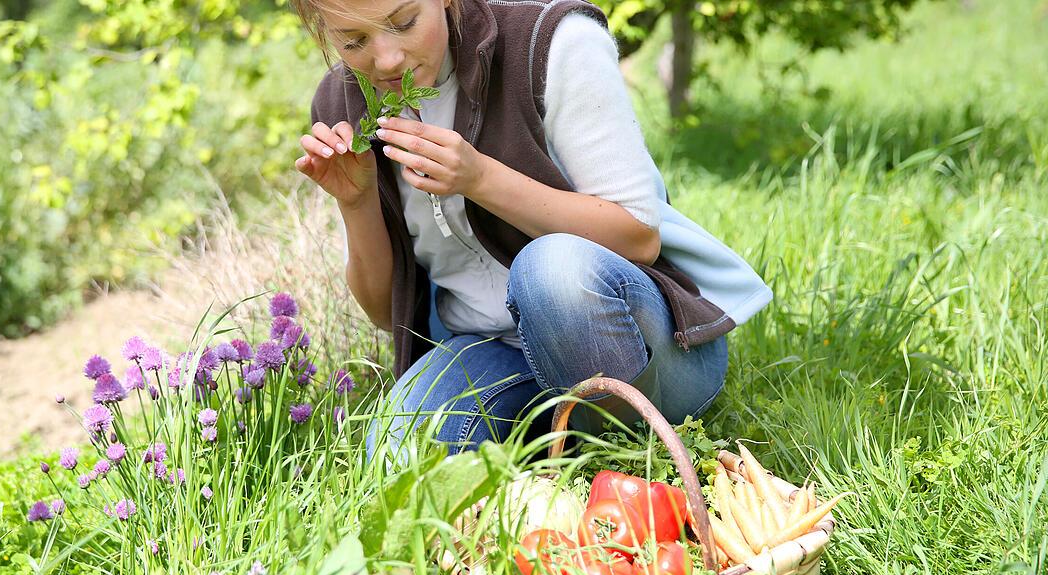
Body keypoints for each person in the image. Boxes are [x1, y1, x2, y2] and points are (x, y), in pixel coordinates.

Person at [291, 0, 771, 463]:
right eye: (354, 40)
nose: (387, 59)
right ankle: (557, 450)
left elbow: (638, 236)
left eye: (404, 22)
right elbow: (383, 311)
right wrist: (356, 203)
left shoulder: (552, 42)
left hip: (636, 342)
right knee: (399, 454)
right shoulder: (343, 102)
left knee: (552, 270)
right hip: (490, 348)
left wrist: (479, 179)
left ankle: (634, 456)